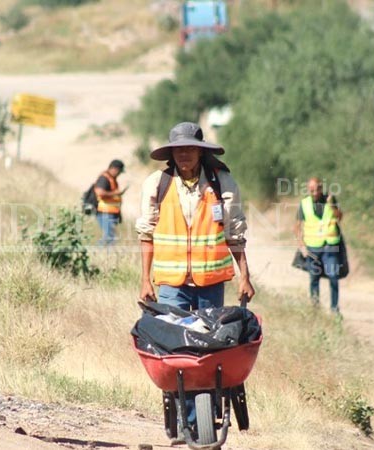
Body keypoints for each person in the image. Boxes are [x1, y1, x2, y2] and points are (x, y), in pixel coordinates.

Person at [136, 122, 255, 436]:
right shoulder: (157, 184)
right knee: (177, 350)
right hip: (171, 283)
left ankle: (210, 410)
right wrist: (145, 280)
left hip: (210, 281)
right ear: (171, 153)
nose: (184, 155)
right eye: (179, 149)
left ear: (201, 152)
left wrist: (245, 276)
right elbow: (146, 235)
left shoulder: (222, 184)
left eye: (190, 149)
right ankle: (185, 417)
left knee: (208, 350)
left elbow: (235, 233)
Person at [294, 178, 343, 314]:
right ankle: (315, 309)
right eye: (311, 190)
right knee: (314, 278)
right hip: (312, 247)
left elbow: (339, 217)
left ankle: (334, 309)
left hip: (330, 245)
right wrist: (301, 245)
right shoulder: (304, 204)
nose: (315, 193)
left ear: (321, 188)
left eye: (317, 189)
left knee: (333, 276)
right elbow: (297, 227)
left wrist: (332, 205)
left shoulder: (330, 200)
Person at [93, 159, 127, 246]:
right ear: (114, 169)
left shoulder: (112, 179)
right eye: (119, 172)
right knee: (110, 237)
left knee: (110, 237)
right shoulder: (104, 178)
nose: (119, 174)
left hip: (111, 212)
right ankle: (97, 253)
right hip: (105, 212)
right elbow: (100, 192)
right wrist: (116, 193)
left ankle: (104, 256)